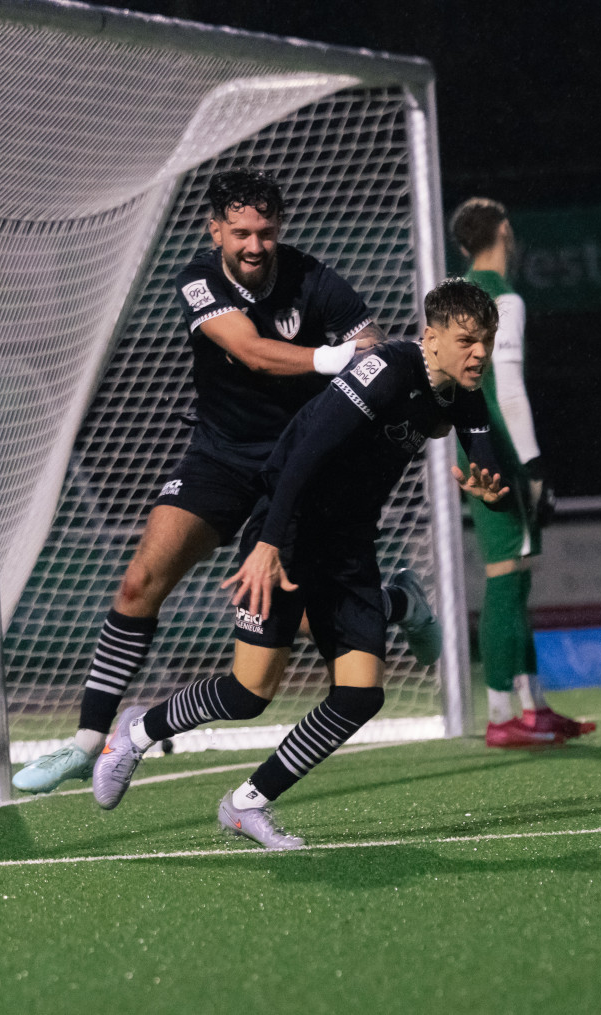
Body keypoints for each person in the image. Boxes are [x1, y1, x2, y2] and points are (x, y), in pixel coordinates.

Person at [14, 169, 441, 794]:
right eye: (240, 232)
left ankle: (395, 601)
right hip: (219, 458)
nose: (254, 245)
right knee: (139, 583)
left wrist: (366, 356)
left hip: (300, 468)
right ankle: (85, 745)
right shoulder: (198, 278)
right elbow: (252, 352)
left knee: (299, 627)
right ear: (216, 230)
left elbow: (370, 343)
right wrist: (343, 358)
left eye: (266, 232)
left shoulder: (314, 279)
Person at [91, 278, 509, 849]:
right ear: (431, 338)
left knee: (361, 695)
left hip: (349, 545)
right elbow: (307, 448)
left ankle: (246, 804)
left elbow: (489, 469)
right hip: (287, 533)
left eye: (486, 340)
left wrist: (492, 492)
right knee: (249, 694)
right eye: (467, 340)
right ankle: (136, 733)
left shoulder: (464, 392)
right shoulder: (386, 370)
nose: (480, 353)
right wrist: (266, 541)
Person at [449, 197, 595, 748]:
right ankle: (502, 714)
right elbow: (507, 387)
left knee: (517, 572)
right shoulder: (502, 297)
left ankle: (532, 707)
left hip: (470, 445)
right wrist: (532, 465)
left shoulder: (453, 295)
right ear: (504, 231)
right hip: (501, 450)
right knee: (505, 575)